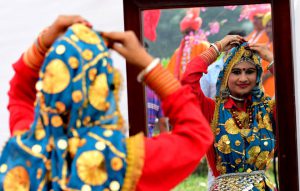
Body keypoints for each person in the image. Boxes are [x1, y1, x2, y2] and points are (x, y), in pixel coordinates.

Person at [0, 15, 213, 191]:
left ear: (47, 86)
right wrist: (147, 65)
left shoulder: (22, 149)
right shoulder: (122, 160)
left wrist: (42, 43)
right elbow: (196, 134)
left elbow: (19, 93)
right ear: (106, 88)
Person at [182, 35, 276, 190]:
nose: (243, 78)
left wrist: (271, 59)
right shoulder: (212, 110)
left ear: (258, 74)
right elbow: (188, 81)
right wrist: (217, 48)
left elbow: (292, 91)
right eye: (236, 72)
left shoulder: (267, 109)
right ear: (225, 75)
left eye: (250, 71)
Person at [167, 8, 210, 80]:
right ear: (197, 30)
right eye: (187, 32)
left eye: (188, 32)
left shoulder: (204, 46)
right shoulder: (205, 46)